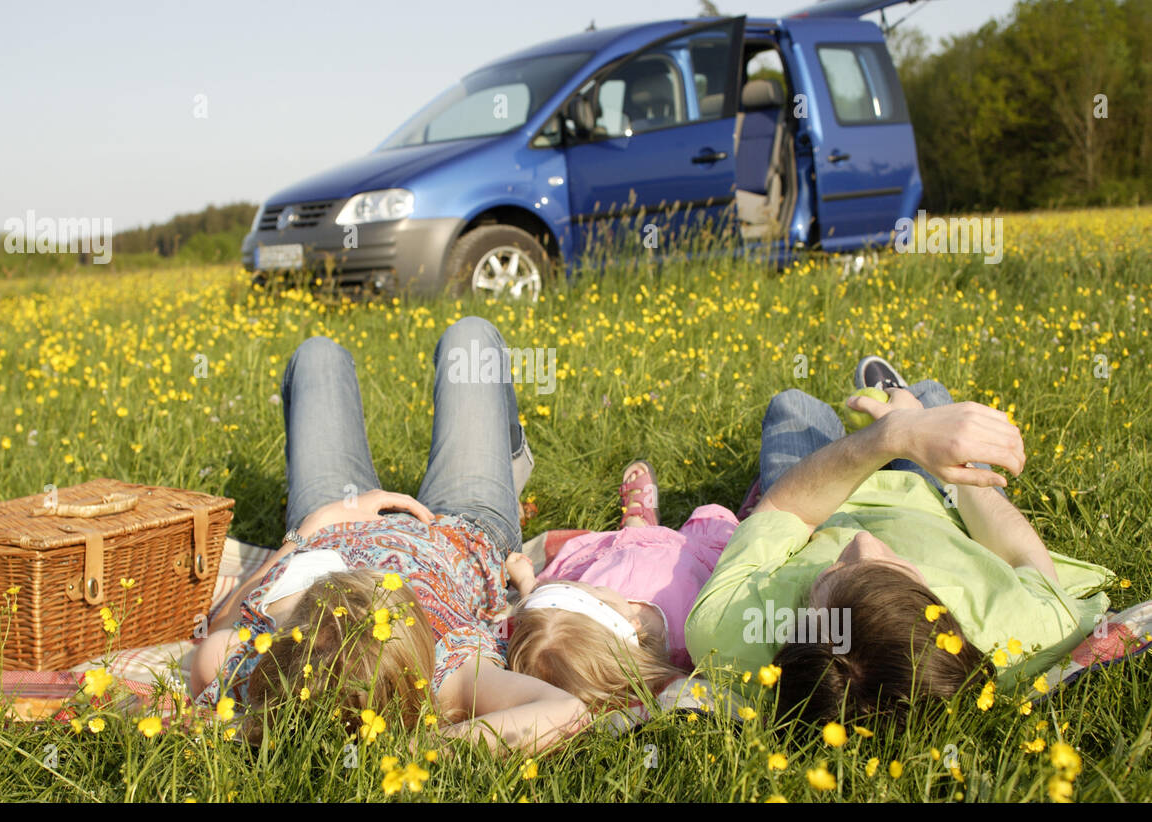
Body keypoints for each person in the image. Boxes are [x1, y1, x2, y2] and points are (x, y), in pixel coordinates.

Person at [191, 317, 602, 752]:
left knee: (316, 355)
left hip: (334, 515)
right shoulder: (450, 676)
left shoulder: (249, 668)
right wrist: (422, 752)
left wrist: (309, 530)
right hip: (463, 526)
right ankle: (508, 465)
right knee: (471, 339)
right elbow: (566, 712)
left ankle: (488, 471)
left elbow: (223, 621)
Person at [685, 356, 1111, 724]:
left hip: (814, 499)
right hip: (933, 498)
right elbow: (1020, 550)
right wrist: (954, 466)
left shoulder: (727, 633)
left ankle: (894, 419)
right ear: (941, 611)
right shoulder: (1030, 632)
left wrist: (890, 437)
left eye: (832, 571)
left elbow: (786, 510)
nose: (863, 541)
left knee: (792, 404)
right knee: (932, 394)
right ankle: (910, 403)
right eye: (892, 567)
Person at [506, 461, 737, 706]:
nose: (591, 586)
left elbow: (544, 617)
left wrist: (525, 581)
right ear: (632, 624)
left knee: (621, 545)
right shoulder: (693, 632)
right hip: (689, 554)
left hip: (619, 553)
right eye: (594, 592)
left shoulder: (592, 622)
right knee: (721, 522)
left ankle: (637, 524)